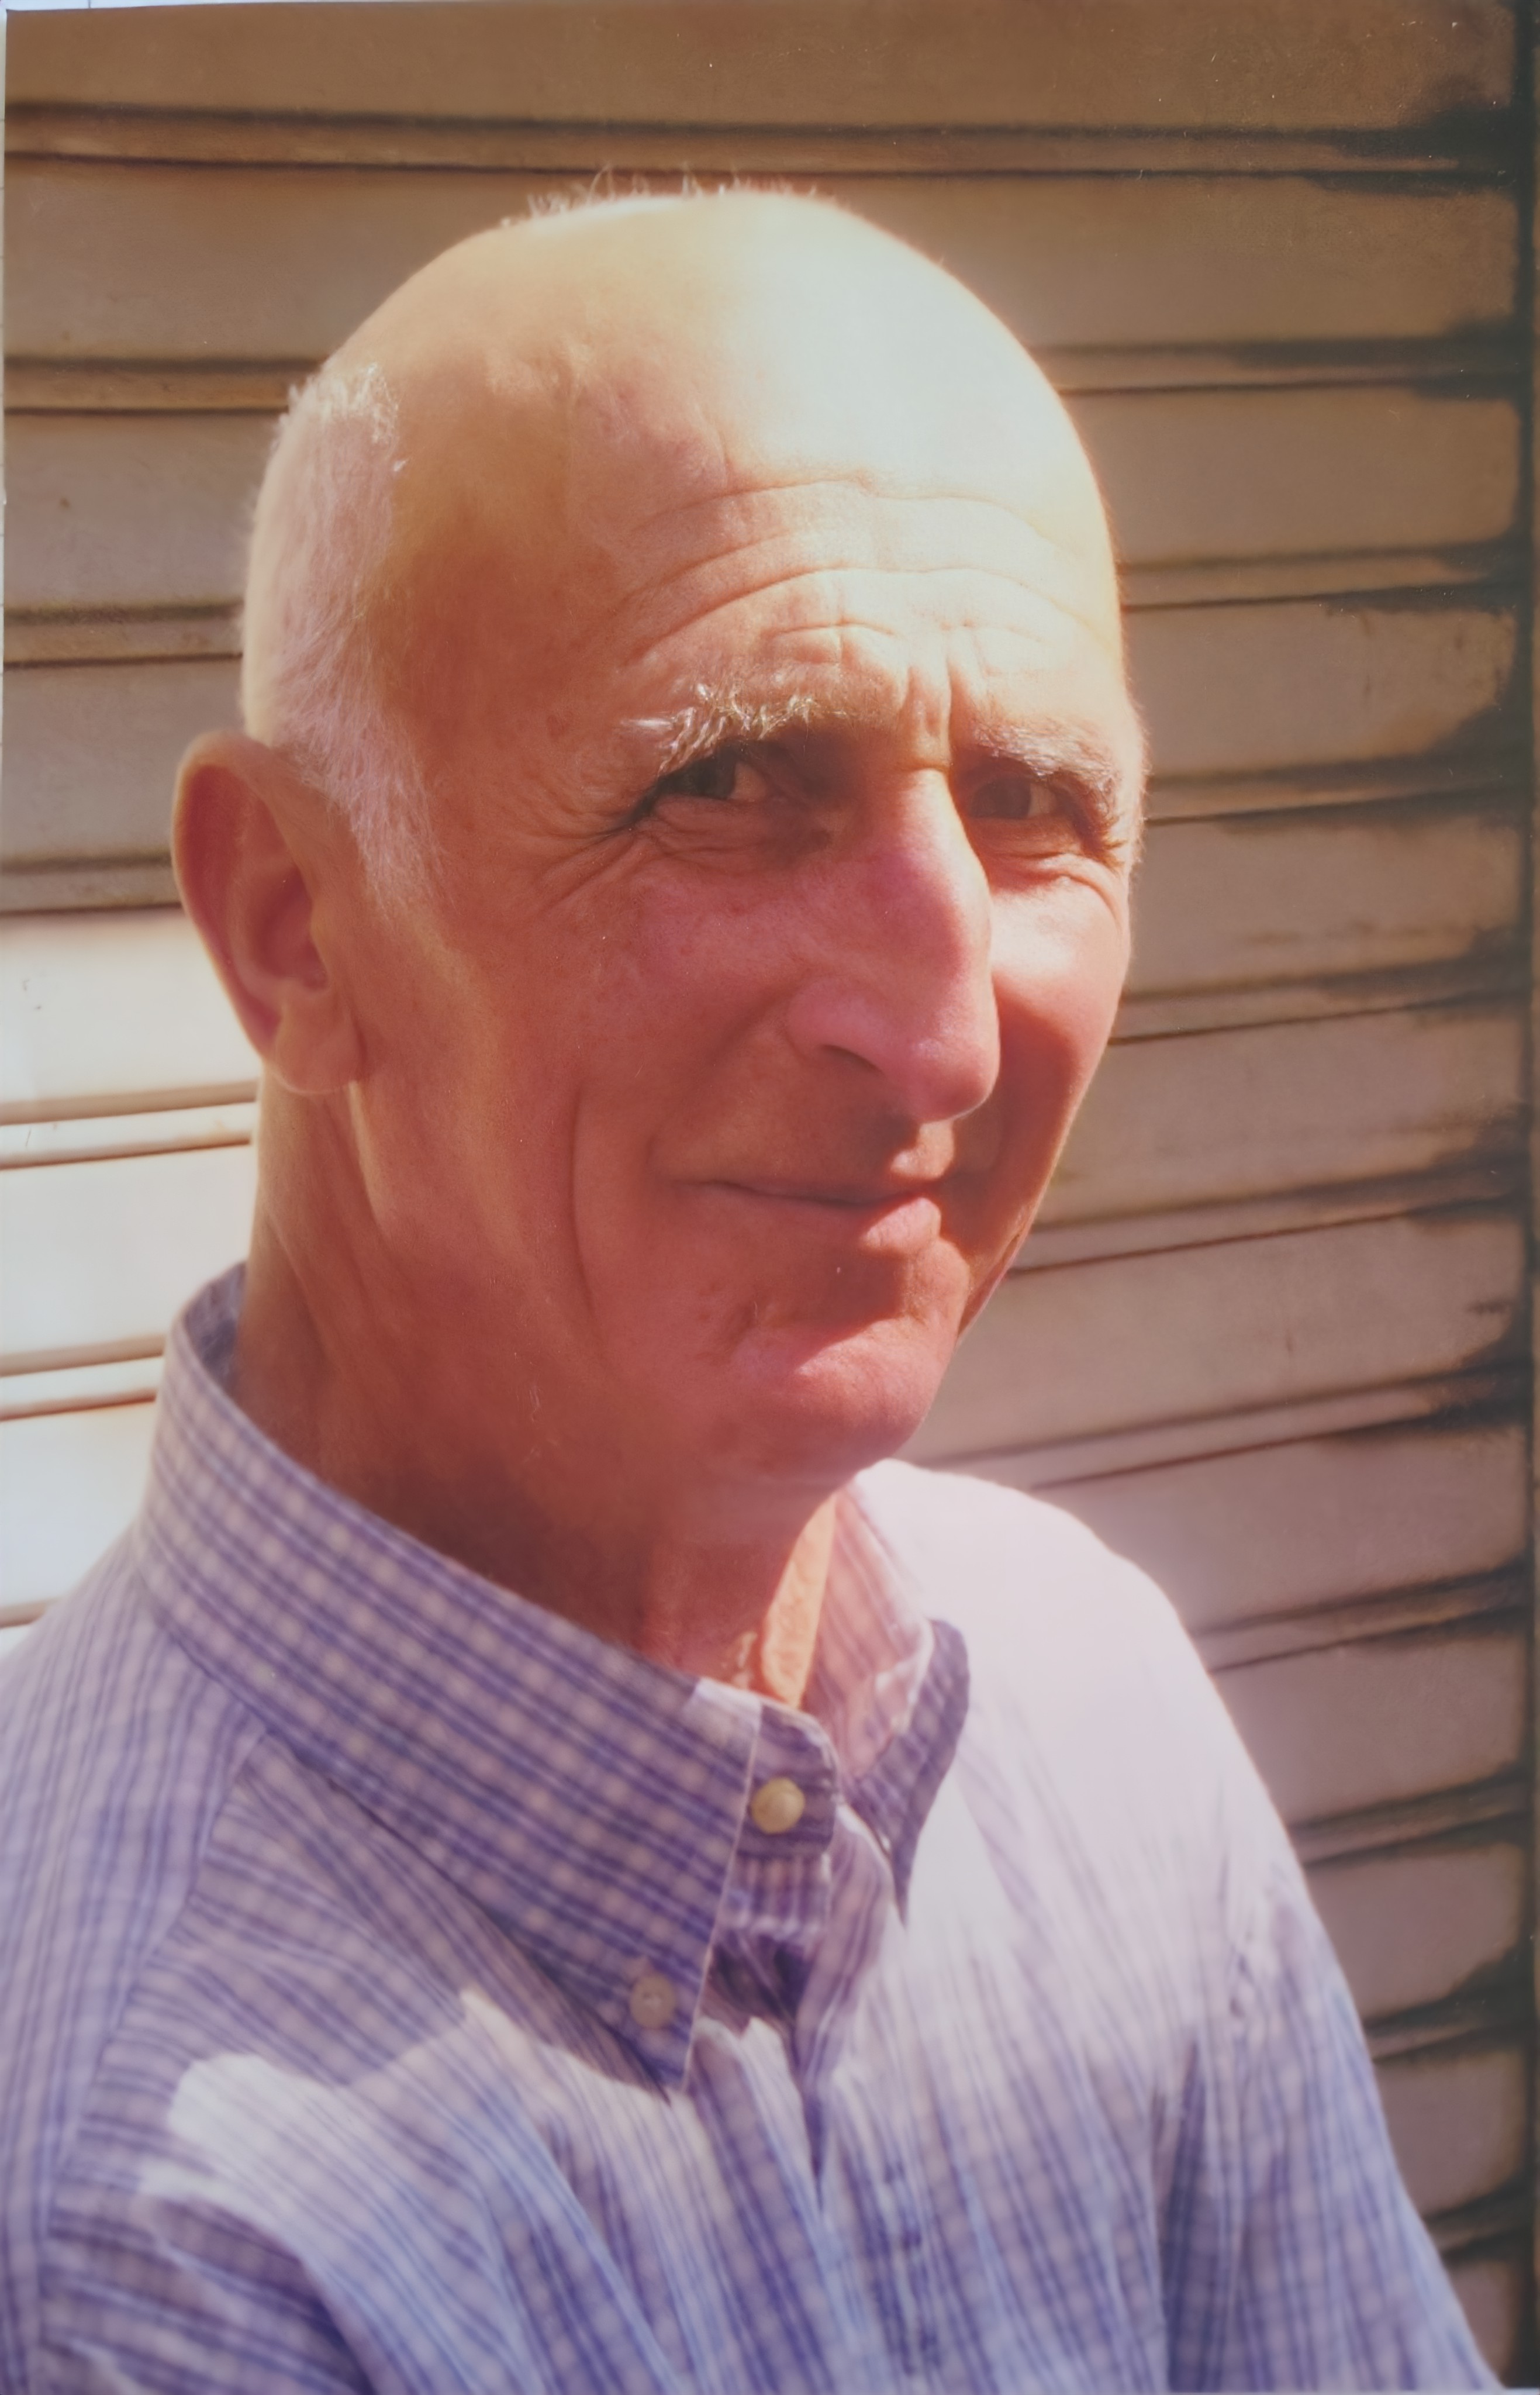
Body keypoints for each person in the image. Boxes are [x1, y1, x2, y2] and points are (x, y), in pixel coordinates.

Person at [0, 190, 1494, 2395]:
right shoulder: (132, 2235)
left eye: (1034, 805)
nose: (949, 1042)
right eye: (727, 781)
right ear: (294, 922)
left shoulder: (1080, 1705)